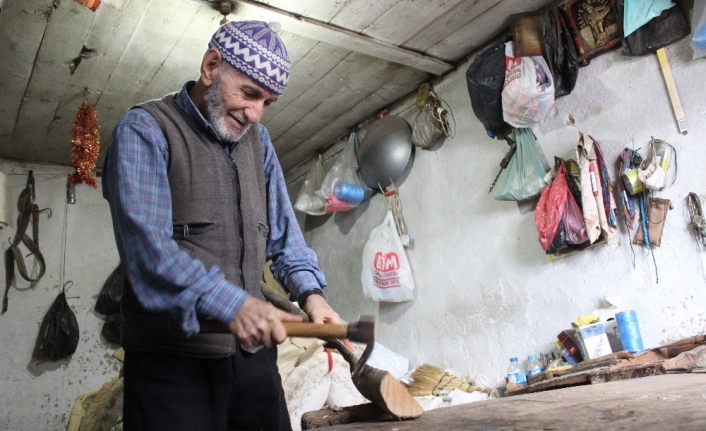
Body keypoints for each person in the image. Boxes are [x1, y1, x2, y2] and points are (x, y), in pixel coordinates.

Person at [102, 20, 345, 431]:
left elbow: (285, 235)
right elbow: (149, 254)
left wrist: (312, 296)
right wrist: (234, 304)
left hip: (253, 367)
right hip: (172, 368)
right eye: (249, 94)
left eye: (267, 102)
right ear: (212, 66)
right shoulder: (146, 129)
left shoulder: (259, 143)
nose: (255, 113)